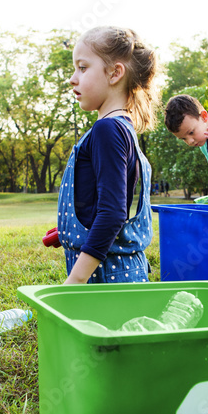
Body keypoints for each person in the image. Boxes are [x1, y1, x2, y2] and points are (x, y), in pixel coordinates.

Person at [58, 26, 159, 284]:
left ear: (115, 73)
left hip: (108, 280)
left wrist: (75, 281)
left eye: (82, 67)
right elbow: (105, 205)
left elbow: (113, 214)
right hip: (117, 273)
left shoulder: (108, 129)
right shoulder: (120, 129)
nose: (73, 78)